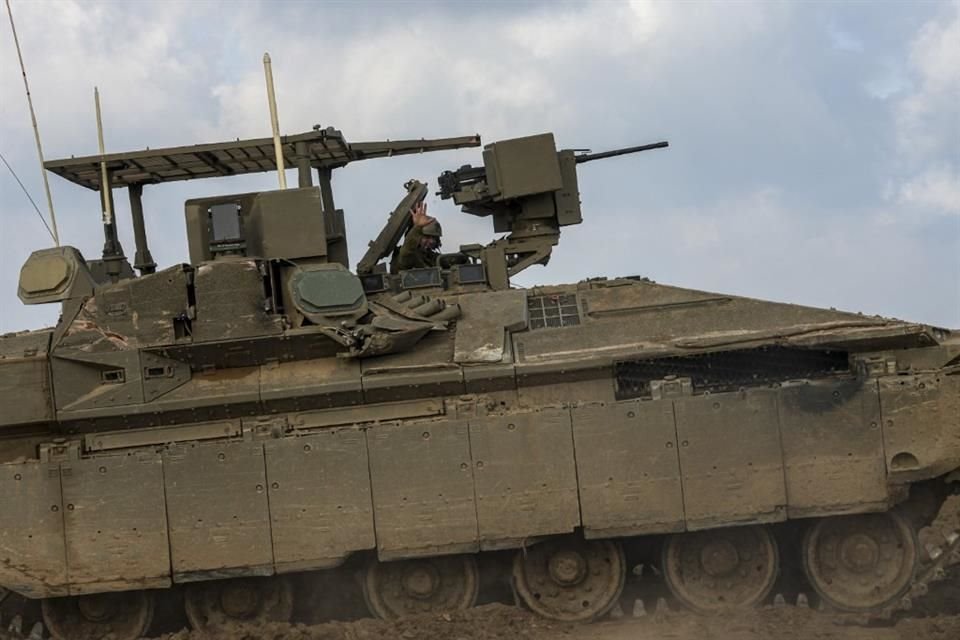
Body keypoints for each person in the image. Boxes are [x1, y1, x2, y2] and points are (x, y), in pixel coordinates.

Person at [394, 201, 442, 271]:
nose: (431, 241)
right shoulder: (409, 255)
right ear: (418, 236)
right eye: (427, 237)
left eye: (434, 238)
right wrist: (418, 227)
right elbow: (407, 250)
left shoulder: (432, 257)